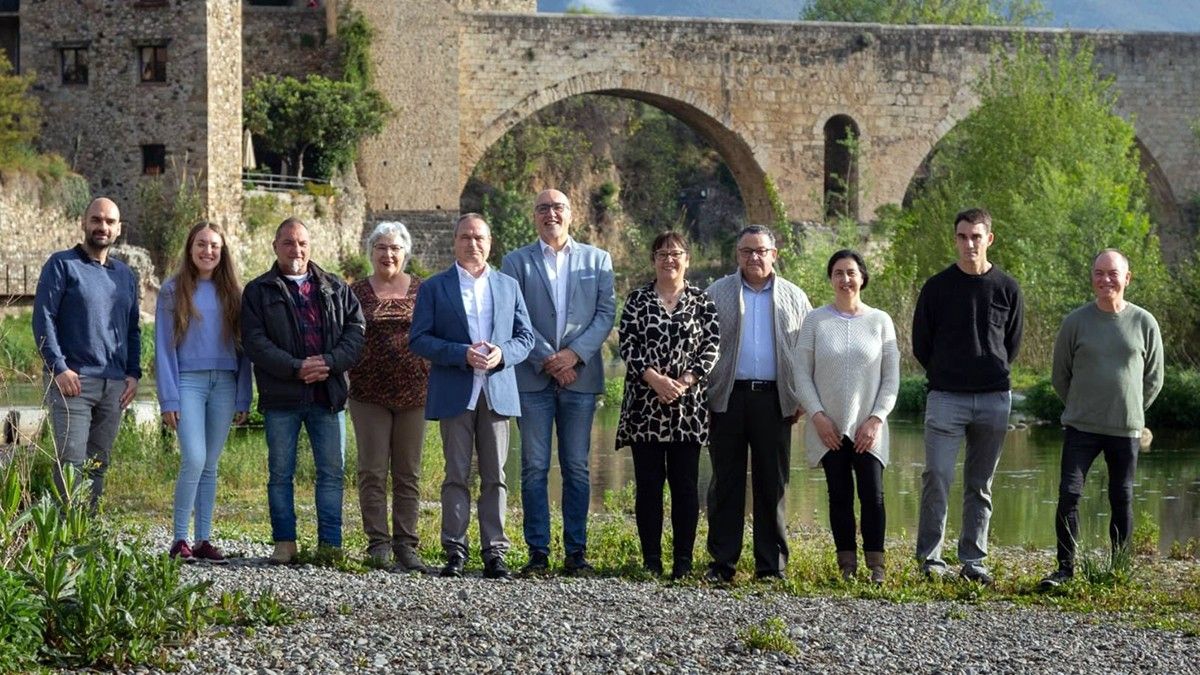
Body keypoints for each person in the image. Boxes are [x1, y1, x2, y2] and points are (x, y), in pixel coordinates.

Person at [410, 213, 534, 580]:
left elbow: (525, 338)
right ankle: (455, 550)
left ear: (490, 242)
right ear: (455, 242)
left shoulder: (508, 286)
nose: (473, 244)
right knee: (455, 474)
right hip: (455, 390)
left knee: (496, 475)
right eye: (466, 237)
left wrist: (502, 354)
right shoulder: (434, 287)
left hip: (496, 391)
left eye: (479, 237)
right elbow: (418, 339)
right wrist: (460, 353)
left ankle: (495, 552)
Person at [500, 189, 616, 575]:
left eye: (558, 207)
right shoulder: (515, 262)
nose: (551, 213)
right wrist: (549, 359)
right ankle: (538, 553)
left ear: (572, 214)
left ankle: (576, 552)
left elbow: (605, 315)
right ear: (534, 216)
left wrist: (574, 355)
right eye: (544, 208)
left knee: (577, 467)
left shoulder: (598, 260)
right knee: (533, 467)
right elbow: (514, 317)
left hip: (580, 378)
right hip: (533, 377)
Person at [241, 217, 365, 564]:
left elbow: (355, 333)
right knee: (280, 473)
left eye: (302, 243)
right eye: (288, 243)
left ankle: (330, 545)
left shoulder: (336, 287)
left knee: (331, 472)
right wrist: (296, 367)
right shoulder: (258, 291)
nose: (296, 250)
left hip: (328, 395)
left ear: (310, 246)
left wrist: (328, 362)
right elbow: (255, 342)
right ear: (275, 247)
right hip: (282, 397)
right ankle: (285, 544)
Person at [1038, 249, 1163, 590]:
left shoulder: (1144, 322)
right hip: (1081, 427)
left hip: (1125, 429)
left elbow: (1154, 378)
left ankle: (1118, 571)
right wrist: (1081, 405)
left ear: (1127, 278)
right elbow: (1060, 376)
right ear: (1092, 278)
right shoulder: (1075, 322)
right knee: (1069, 495)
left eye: (1112, 273)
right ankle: (1064, 570)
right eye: (1099, 273)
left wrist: (1133, 409)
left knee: (1121, 497)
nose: (1105, 279)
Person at [913, 207, 1023, 585]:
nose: (969, 243)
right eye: (962, 236)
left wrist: (987, 372)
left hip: (994, 398)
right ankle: (930, 559)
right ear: (955, 239)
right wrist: (948, 372)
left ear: (989, 239)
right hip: (945, 397)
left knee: (981, 483)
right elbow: (920, 344)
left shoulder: (1007, 288)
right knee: (937, 476)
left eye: (976, 236)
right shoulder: (936, 287)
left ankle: (973, 561)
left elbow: (1012, 343)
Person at [704, 224, 812, 582]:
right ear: (737, 255)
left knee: (772, 483)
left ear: (774, 254)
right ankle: (722, 565)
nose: (754, 257)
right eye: (747, 251)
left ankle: (771, 567)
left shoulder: (795, 297)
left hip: (775, 399)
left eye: (761, 251)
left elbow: (809, 352)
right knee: (726, 483)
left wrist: (802, 398)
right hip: (727, 398)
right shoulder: (716, 293)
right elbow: (700, 347)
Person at [616, 232, 720, 580]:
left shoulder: (702, 302)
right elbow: (627, 344)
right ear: (653, 260)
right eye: (662, 254)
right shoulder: (637, 299)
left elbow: (711, 347)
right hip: (645, 407)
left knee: (685, 487)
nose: (669, 260)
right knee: (648, 486)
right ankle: (651, 560)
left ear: (687, 259)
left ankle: (683, 561)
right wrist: (655, 379)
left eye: (675, 253)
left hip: (687, 410)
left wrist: (684, 381)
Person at [796, 250, 899, 583]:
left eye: (851, 272)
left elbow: (891, 378)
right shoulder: (815, 321)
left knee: (873, 494)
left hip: (869, 425)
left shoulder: (880, 321)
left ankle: (877, 566)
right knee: (839, 495)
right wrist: (818, 416)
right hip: (828, 425)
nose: (845, 279)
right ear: (831, 279)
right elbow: (801, 374)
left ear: (863, 277)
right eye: (838, 273)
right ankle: (847, 566)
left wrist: (876, 418)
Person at [33, 197, 141, 510]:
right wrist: (58, 367)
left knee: (98, 464)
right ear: (84, 223)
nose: (102, 227)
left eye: (109, 222)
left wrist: (133, 374)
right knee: (70, 465)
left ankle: (87, 536)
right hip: (73, 382)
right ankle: (64, 539)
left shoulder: (125, 276)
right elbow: (43, 319)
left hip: (114, 386)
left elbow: (132, 329)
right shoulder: (61, 265)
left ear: (119, 229)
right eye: (96, 220)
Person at [155, 222, 252, 562]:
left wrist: (244, 396)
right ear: (190, 248)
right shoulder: (172, 290)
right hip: (188, 383)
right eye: (201, 244)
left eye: (214, 245)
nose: (207, 251)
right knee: (193, 457)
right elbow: (164, 349)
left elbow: (244, 352)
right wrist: (168, 398)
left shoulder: (234, 295)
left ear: (222, 252)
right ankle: (179, 539)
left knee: (210, 463)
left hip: (224, 382)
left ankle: (204, 540)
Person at [347, 221, 432, 572]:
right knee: (372, 470)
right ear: (371, 252)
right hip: (368, 393)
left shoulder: (423, 290)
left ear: (405, 253)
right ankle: (378, 543)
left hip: (415, 392)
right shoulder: (354, 292)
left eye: (395, 248)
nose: (388, 254)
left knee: (408, 471)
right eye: (381, 247)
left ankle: (407, 545)